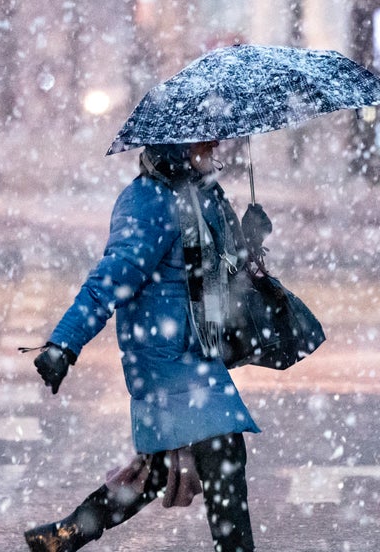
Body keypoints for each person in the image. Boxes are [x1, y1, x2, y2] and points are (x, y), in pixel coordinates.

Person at [23, 140, 272, 552]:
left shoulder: (201, 193)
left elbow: (222, 269)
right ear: (177, 147)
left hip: (192, 352)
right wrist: (64, 344)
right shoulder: (149, 202)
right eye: (203, 141)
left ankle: (67, 535)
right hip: (163, 358)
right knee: (223, 452)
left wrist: (249, 237)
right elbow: (111, 278)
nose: (215, 146)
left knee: (158, 471)